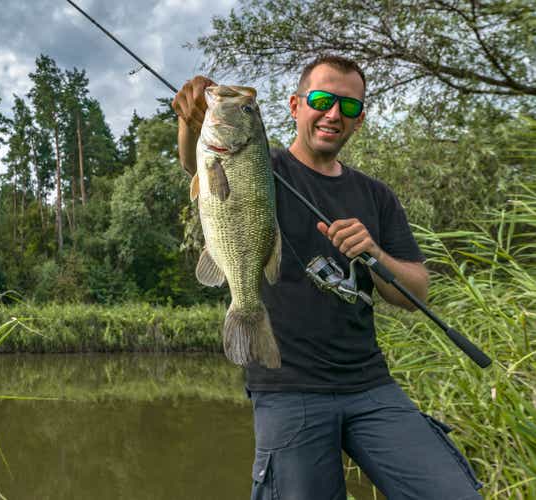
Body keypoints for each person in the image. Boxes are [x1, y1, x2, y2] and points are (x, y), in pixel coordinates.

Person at [172, 55, 483, 500]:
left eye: (349, 107)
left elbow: (414, 293)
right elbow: (200, 167)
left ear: (357, 121)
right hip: (288, 388)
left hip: (370, 385)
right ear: (296, 106)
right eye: (322, 99)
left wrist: (375, 252)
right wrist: (191, 119)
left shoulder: (376, 196)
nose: (334, 114)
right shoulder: (265, 167)